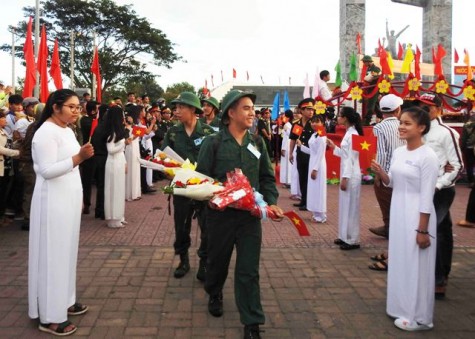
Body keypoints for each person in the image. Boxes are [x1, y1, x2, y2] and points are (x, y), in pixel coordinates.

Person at [196, 89, 284, 339]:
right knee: (217, 262)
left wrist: (271, 202)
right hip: (220, 217)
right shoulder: (212, 143)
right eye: (246, 108)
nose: (252, 112)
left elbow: (267, 177)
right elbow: (200, 179)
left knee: (248, 270)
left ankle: (252, 322)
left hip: (250, 217)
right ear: (230, 113)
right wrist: (223, 193)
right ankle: (214, 292)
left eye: (252, 109)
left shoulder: (257, 142)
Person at [28, 89, 94, 336]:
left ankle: (65, 300)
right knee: (53, 257)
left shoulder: (66, 130)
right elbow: (45, 170)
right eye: (72, 107)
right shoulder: (45, 132)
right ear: (55, 107)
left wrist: (77, 196)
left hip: (67, 200)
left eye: (78, 107)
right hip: (52, 202)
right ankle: (50, 316)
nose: (77, 111)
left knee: (66, 254)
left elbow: (70, 167)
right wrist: (79, 157)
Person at [371, 106, 438, 331]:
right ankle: (399, 307)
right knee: (400, 261)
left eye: (407, 123)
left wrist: (422, 230)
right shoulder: (400, 152)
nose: (401, 126)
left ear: (421, 128)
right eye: (401, 122)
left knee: (417, 265)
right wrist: (382, 174)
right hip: (399, 213)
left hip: (417, 216)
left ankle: (419, 317)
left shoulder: (428, 156)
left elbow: (427, 195)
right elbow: (393, 182)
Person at [161, 92, 215, 280]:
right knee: (181, 227)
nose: (176, 111)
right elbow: (164, 157)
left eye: (181, 107)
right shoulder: (173, 133)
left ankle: (204, 263)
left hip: (203, 189)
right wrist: (166, 169)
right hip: (181, 188)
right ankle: (183, 260)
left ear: (193, 109)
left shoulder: (209, 133)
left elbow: (215, 160)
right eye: (175, 107)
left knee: (207, 228)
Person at [415, 93, 463, 299]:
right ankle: (436, 273)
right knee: (441, 230)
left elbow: (457, 165)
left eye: (428, 108)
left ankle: (438, 279)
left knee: (434, 230)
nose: (424, 112)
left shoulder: (446, 133)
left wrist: (438, 184)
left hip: (440, 191)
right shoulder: (417, 131)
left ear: (438, 109)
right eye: (421, 108)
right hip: (418, 189)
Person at [369, 94, 406, 240]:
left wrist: (379, 174)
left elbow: (381, 152)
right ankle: (393, 227)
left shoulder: (379, 127)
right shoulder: (403, 125)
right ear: (398, 110)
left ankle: (389, 228)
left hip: (387, 172)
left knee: (386, 202)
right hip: (403, 169)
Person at [326, 107, 363, 250]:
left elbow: (351, 159)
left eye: (340, 115)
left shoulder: (353, 134)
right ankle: (344, 235)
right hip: (347, 172)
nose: (337, 118)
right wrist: (333, 146)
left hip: (351, 174)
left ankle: (353, 239)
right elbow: (345, 154)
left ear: (346, 118)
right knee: (345, 206)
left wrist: (345, 177)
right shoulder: (349, 133)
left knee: (351, 207)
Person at [299, 114, 327, 223]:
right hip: (312, 163)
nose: (314, 124)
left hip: (319, 165)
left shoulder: (322, 135)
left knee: (319, 189)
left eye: (317, 121)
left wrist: (315, 169)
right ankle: (315, 213)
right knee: (313, 189)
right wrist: (301, 146)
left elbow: (320, 153)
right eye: (313, 121)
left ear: (323, 123)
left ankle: (321, 214)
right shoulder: (314, 134)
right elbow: (312, 152)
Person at [289, 98, 316, 211]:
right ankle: (303, 200)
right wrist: (290, 153)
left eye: (312, 110)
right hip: (300, 154)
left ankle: (309, 202)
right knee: (302, 177)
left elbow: (322, 137)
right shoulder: (297, 125)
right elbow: (293, 140)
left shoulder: (315, 123)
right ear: (302, 110)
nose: (311, 112)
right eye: (308, 109)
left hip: (311, 155)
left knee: (309, 179)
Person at [103, 106, 127, 228]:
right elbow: (111, 150)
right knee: (113, 190)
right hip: (113, 163)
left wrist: (125, 162)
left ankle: (119, 215)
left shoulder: (119, 131)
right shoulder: (112, 133)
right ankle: (113, 218)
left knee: (119, 189)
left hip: (119, 162)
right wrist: (123, 144)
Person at [0, 110, 19, 226]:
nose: (5, 120)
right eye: (2, 118)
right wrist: (17, 153)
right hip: (1, 167)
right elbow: (1, 149)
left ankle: (2, 215)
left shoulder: (4, 132)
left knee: (4, 192)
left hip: (7, 167)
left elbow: (9, 144)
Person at [361, 55, 381, 125]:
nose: (363, 63)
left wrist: (371, 78)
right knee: (374, 105)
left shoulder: (376, 68)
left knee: (370, 105)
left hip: (374, 89)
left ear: (368, 62)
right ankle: (381, 116)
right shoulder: (368, 69)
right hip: (369, 89)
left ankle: (367, 121)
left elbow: (379, 77)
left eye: (364, 62)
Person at [279, 110, 294, 187]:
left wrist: (283, 148)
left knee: (287, 164)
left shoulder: (287, 125)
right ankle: (286, 180)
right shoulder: (290, 124)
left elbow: (287, 137)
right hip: (287, 144)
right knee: (286, 163)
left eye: (285, 115)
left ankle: (288, 181)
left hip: (287, 145)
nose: (283, 117)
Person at [460, 111, 475, 187]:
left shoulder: (467, 125)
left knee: (470, 165)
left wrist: (462, 147)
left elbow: (463, 138)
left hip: (469, 147)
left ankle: (471, 182)